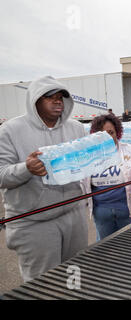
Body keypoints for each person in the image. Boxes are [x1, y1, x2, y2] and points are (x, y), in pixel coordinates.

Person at [0, 76, 88, 282]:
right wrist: (26, 169)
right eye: (50, 97)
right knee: (43, 285)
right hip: (34, 222)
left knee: (75, 280)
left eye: (61, 97)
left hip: (73, 216)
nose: (58, 101)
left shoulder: (75, 128)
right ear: (35, 101)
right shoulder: (10, 131)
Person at [83, 113, 131, 240]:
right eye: (102, 135)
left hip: (128, 211)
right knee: (105, 248)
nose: (108, 138)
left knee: (129, 246)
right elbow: (81, 183)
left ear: (117, 132)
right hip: (102, 214)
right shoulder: (87, 157)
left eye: (111, 132)